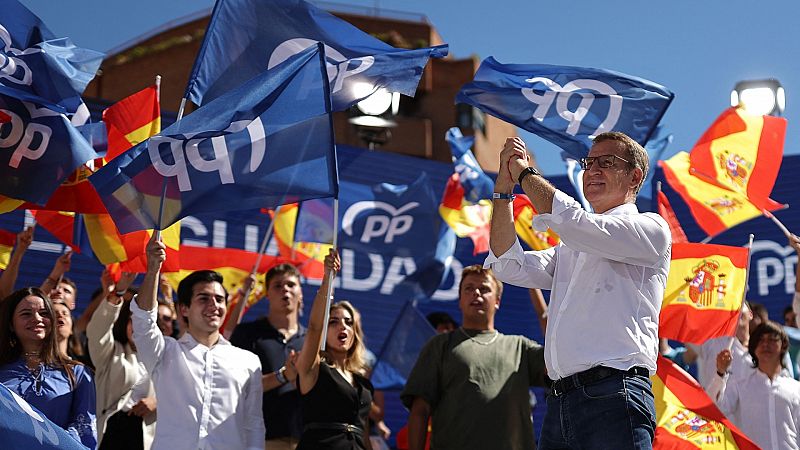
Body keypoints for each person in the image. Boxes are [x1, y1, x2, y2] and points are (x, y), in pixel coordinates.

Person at [485, 133, 671, 449]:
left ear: (635, 176)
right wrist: (503, 192)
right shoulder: (569, 249)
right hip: (560, 402)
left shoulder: (652, 229)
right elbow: (506, 265)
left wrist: (524, 174)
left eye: (607, 162)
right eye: (590, 163)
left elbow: (571, 222)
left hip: (616, 392)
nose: (593, 170)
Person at [131, 235, 264, 450]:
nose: (214, 305)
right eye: (203, 298)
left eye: (219, 299)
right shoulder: (165, 351)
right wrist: (153, 270)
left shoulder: (248, 362)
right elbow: (143, 320)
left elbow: (254, 425)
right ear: (184, 308)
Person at [402, 264, 546, 450]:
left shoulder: (520, 347)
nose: (476, 293)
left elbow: (559, 360)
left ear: (497, 301)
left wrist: (535, 291)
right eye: (469, 289)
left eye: (484, 289)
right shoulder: (440, 345)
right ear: (460, 300)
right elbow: (420, 411)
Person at [295, 249, 374, 450]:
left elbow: (363, 433)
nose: (343, 327)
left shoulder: (363, 383)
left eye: (348, 323)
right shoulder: (313, 369)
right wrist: (327, 279)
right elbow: (314, 327)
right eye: (333, 322)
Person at [0, 287, 97, 448]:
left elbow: (85, 431)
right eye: (26, 314)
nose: (37, 319)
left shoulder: (77, 373)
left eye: (44, 314)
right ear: (11, 324)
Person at [230, 263, 307, 450]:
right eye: (277, 286)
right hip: (260, 440)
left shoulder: (313, 341)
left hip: (307, 441)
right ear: (267, 294)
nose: (285, 290)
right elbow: (238, 387)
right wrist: (283, 376)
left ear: (300, 293)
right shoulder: (247, 334)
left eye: (291, 285)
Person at [87, 271, 157, 450]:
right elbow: (98, 331)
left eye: (143, 324)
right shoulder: (112, 352)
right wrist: (118, 292)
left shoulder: (164, 357)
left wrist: (158, 403)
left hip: (145, 437)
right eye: (132, 322)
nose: (137, 328)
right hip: (111, 432)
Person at [709, 321, 800, 449]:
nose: (765, 344)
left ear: (783, 345)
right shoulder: (740, 387)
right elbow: (714, 408)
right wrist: (720, 373)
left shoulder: (796, 388)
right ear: (753, 348)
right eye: (760, 340)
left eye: (772, 339)